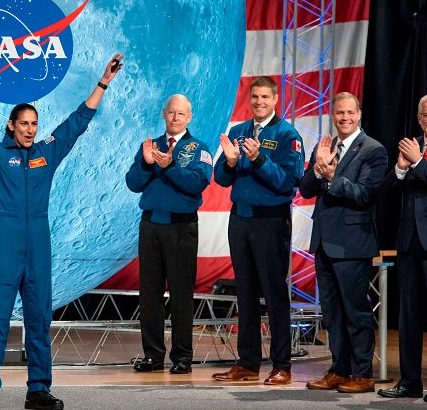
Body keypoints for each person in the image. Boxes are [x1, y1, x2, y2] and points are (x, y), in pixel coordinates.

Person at [0, 39, 122, 410]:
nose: (31, 129)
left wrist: (103, 82)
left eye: (35, 124)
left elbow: (76, 123)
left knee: (38, 321)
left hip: (38, 244)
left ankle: (38, 391)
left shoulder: (46, 154)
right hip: (2, 243)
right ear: (12, 125)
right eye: (24, 124)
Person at [211, 76, 304, 385]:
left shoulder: (287, 134)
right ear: (249, 99)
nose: (259, 102)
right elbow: (222, 180)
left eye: (265, 97)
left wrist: (258, 158)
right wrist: (231, 161)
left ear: (275, 99)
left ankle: (282, 365)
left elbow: (288, 183)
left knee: (274, 293)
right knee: (246, 292)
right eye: (255, 97)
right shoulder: (238, 132)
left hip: (270, 222)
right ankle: (248, 363)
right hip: (240, 220)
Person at [299, 92, 388, 393]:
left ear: (359, 114)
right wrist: (317, 169)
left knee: (356, 311)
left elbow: (364, 194)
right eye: (339, 113)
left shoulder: (374, 150)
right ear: (333, 115)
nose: (345, 118)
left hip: (352, 243)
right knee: (332, 311)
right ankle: (340, 369)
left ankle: (362, 374)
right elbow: (305, 189)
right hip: (323, 242)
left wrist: (332, 174)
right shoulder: (325, 146)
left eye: (350, 112)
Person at [125, 94, 213, 374]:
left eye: (181, 114)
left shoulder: (199, 148)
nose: (175, 118)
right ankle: (152, 355)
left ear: (189, 117)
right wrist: (148, 163)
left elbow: (197, 183)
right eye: (171, 113)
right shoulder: (151, 146)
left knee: (180, 294)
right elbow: (133, 183)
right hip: (150, 225)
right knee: (149, 293)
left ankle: (182, 357)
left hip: (180, 227)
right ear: (164, 114)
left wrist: (170, 167)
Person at [377, 93, 427, 403]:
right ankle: (410, 382)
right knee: (409, 317)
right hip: (408, 244)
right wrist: (402, 169)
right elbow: (387, 193)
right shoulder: (410, 146)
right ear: (419, 118)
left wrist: (418, 162)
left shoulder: (425, 152)